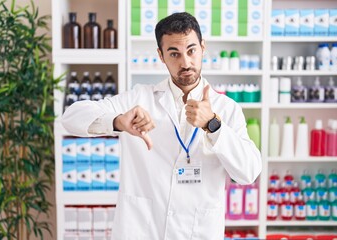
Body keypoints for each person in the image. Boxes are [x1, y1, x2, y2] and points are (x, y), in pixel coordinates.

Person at [62, 12, 262, 240]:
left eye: (191, 50)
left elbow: (249, 173)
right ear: (161, 55)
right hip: (142, 230)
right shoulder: (139, 98)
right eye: (174, 53)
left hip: (198, 232)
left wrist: (213, 125)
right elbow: (71, 117)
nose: (185, 62)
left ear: (203, 47)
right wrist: (118, 121)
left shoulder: (226, 108)